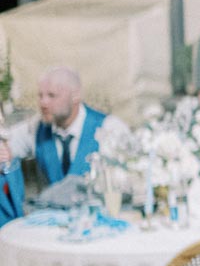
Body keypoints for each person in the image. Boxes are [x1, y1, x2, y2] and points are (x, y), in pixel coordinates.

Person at [0, 66, 132, 195]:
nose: (43, 103)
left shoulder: (109, 128)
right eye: (40, 95)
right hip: (50, 214)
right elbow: (7, 142)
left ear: (75, 96)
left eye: (52, 95)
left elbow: (128, 182)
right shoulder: (36, 128)